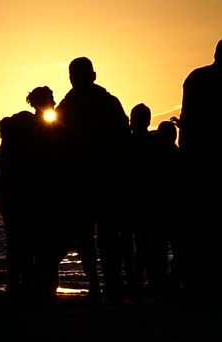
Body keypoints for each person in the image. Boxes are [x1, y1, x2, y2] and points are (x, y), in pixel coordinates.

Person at [178, 35, 222, 300]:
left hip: (200, 169)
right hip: (214, 171)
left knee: (206, 235)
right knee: (215, 235)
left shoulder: (198, 79)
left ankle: (202, 285)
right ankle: (210, 287)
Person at [56, 57, 130, 302]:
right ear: (94, 75)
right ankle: (109, 282)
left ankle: (100, 283)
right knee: (106, 236)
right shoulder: (107, 103)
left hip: (85, 181)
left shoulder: (66, 108)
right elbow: (123, 140)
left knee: (89, 236)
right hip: (100, 180)